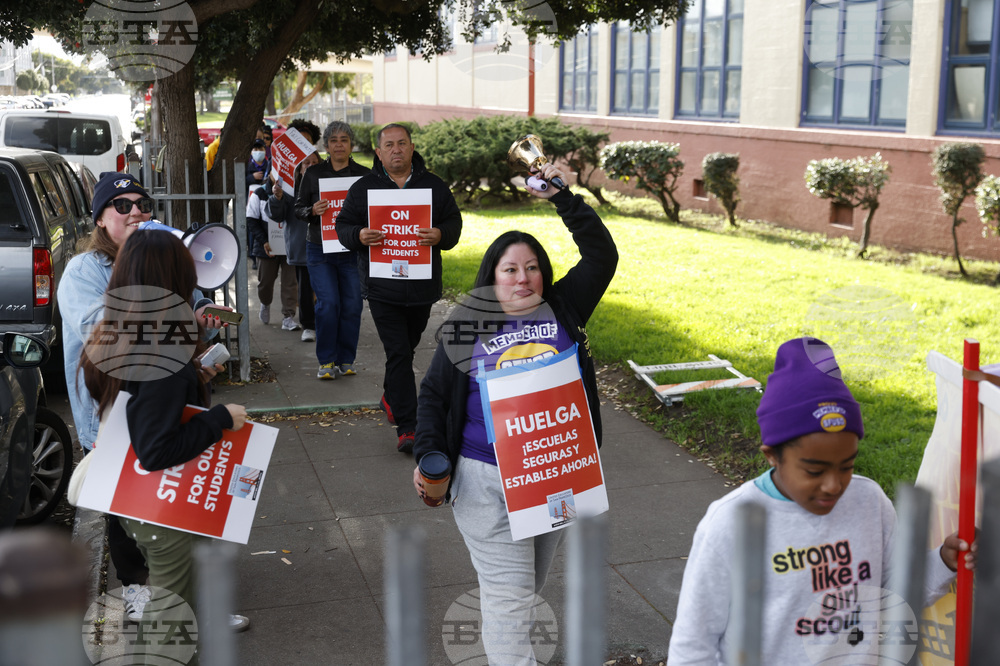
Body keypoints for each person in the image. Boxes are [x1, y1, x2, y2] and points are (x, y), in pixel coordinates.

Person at [666, 337, 978, 665]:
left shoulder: (870, 501)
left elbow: (895, 594)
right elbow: (693, 646)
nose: (833, 485)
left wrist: (944, 560)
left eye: (847, 466)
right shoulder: (730, 523)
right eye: (814, 470)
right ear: (772, 455)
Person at [411, 164, 617, 663]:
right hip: (485, 478)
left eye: (531, 268)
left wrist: (561, 196)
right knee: (509, 600)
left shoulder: (563, 308)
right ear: (492, 277)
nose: (522, 278)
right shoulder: (466, 327)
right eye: (510, 269)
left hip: (556, 472)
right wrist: (429, 453)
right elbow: (434, 396)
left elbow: (602, 255)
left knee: (524, 591)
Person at [61, 172, 228, 625]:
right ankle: (140, 591)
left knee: (178, 498)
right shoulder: (84, 272)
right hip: (110, 412)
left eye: (143, 203)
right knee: (127, 508)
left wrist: (200, 347)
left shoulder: (161, 257)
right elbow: (105, 334)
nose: (136, 210)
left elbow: (197, 325)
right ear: (99, 218)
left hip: (164, 399)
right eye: (121, 205)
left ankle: (187, 596)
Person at [79, 231, 250, 647]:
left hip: (134, 501)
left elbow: (139, 404)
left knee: (178, 609)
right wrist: (219, 419)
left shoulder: (120, 331)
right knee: (173, 627)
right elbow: (156, 450)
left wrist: (191, 377)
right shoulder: (162, 351)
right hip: (161, 511)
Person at [336, 123, 462, 452]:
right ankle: (409, 427)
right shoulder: (364, 188)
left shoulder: (434, 186)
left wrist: (440, 235)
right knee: (399, 353)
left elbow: (454, 225)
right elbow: (343, 226)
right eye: (389, 144)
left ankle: (392, 395)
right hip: (381, 289)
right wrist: (359, 236)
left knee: (406, 348)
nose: (396, 149)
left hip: (422, 289)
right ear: (378, 152)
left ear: (411, 147)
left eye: (402, 143)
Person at [294, 121, 370, 379]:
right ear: (326, 146)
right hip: (319, 249)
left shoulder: (364, 175)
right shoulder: (313, 174)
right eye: (334, 140)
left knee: (352, 306)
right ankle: (326, 361)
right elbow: (299, 208)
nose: (339, 144)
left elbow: (374, 211)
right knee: (328, 304)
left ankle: (346, 359)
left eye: (344, 139)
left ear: (351, 145)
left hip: (352, 250)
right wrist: (312, 211)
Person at [269, 119, 321, 341]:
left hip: (326, 243)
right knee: (305, 287)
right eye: (298, 143)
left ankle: (327, 321)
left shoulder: (325, 175)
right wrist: (277, 198)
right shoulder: (286, 180)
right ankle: (308, 324)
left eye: (307, 142)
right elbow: (277, 215)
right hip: (301, 245)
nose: (303, 148)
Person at [247, 175, 299, 330]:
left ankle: (288, 317)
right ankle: (265, 303)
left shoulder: (295, 191)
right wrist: (264, 241)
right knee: (265, 282)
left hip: (290, 246)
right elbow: (251, 220)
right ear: (269, 174)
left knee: (291, 283)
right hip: (266, 247)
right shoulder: (260, 193)